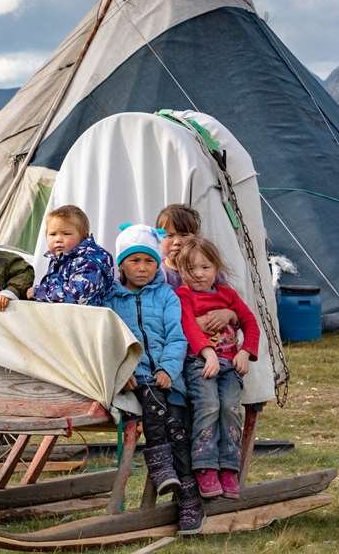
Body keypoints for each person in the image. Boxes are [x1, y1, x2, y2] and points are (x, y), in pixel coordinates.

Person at [106, 223, 204, 535]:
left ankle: (184, 493)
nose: (143, 268)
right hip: (135, 380)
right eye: (135, 260)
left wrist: (167, 370)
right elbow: (109, 341)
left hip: (165, 378)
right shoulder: (110, 300)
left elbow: (177, 338)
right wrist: (124, 373)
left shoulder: (166, 296)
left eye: (149, 261)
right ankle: (174, 482)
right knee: (159, 409)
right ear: (121, 263)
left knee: (177, 425)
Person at [174, 236, 260, 501]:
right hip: (200, 363)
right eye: (191, 269)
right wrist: (208, 353)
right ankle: (205, 466)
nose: (199, 274)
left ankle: (229, 467)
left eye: (205, 267)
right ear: (180, 271)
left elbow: (251, 324)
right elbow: (188, 326)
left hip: (230, 365)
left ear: (216, 268)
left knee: (230, 408)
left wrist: (246, 351)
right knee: (208, 405)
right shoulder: (183, 295)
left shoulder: (228, 295)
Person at [156, 203, 238, 337]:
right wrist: (190, 324)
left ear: (196, 237)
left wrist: (228, 314)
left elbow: (237, 307)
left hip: (215, 345)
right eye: (169, 235)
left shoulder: (209, 271)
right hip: (175, 344)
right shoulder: (159, 274)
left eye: (183, 235)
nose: (176, 241)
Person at [28, 205, 114, 306]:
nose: (58, 239)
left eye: (66, 233)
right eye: (53, 234)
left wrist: (40, 292)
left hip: (86, 319)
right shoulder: (58, 260)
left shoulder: (89, 262)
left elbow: (77, 295)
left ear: (83, 237)